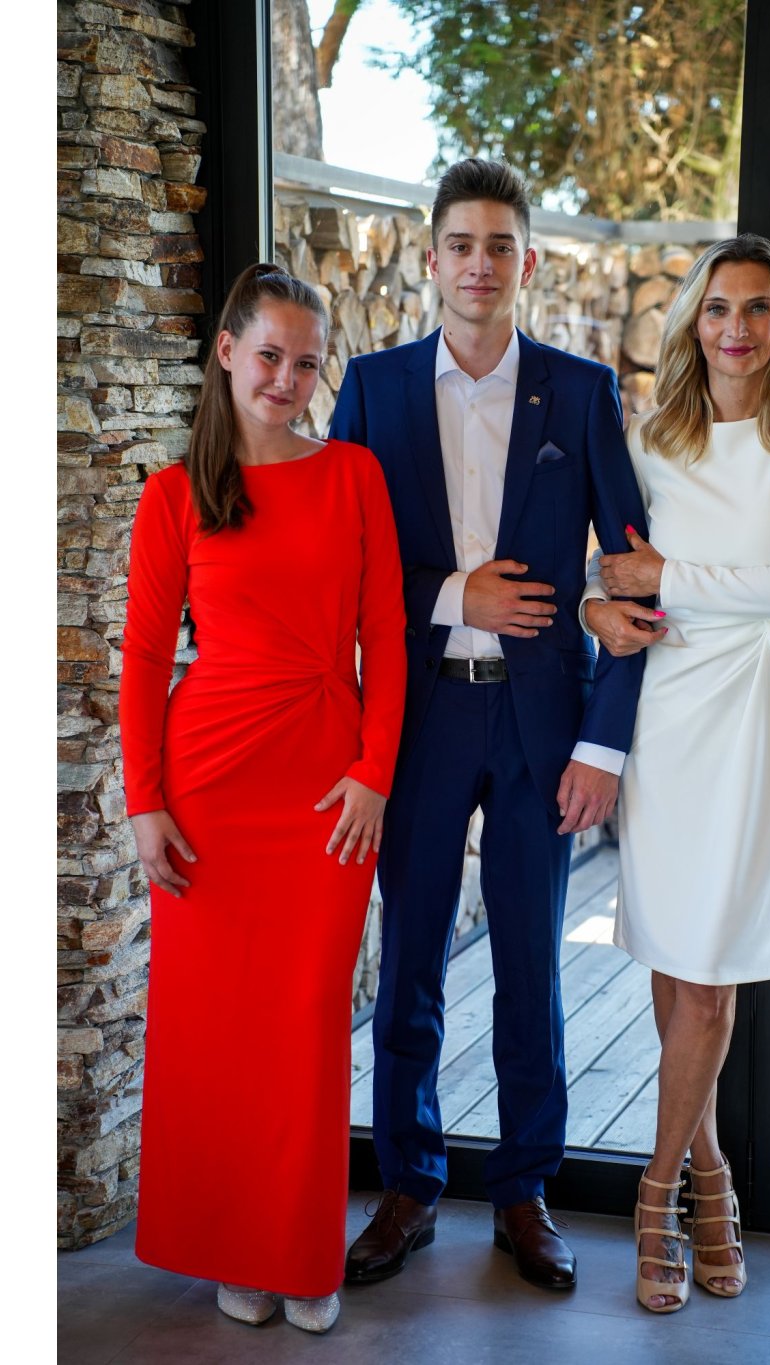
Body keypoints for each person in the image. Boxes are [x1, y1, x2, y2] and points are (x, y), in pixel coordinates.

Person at [328, 159, 654, 1291]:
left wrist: (602, 745)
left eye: (499, 245)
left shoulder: (582, 392)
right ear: (431, 259)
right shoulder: (371, 390)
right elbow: (336, 564)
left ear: (527, 261)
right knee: (411, 959)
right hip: (417, 720)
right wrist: (451, 595)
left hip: (541, 725)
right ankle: (408, 1184)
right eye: (461, 244)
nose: (479, 264)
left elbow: (634, 580)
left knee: (529, 964)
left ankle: (523, 1192)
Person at [120, 264, 407, 1333]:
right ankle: (236, 1249)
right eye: (271, 356)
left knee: (305, 1025)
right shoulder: (174, 495)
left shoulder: (354, 476)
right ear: (228, 353)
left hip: (326, 792)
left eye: (306, 362)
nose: (286, 379)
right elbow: (145, 656)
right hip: (208, 792)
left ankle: (300, 1254)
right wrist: (144, 801)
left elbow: (386, 636)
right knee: (217, 1032)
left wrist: (374, 771)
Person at [582, 234, 770, 1312]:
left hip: (764, 711)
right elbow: (610, 568)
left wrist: (669, 575)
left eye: (757, 308)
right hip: (673, 709)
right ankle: (708, 1169)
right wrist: (601, 604)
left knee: (711, 969)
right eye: (717, 308)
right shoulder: (655, 436)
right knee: (674, 947)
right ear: (692, 321)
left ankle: (656, 1192)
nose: (736, 328)